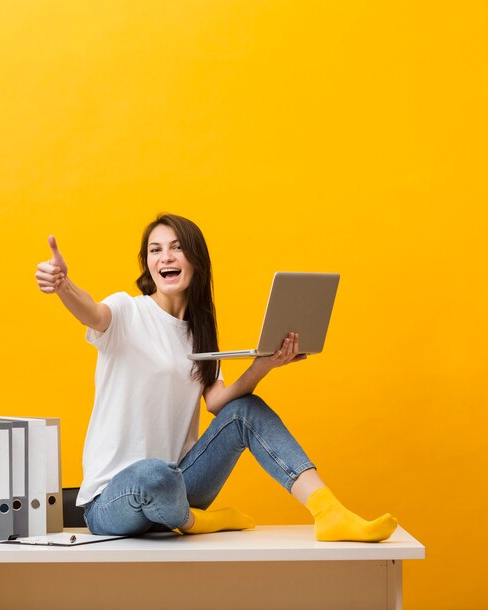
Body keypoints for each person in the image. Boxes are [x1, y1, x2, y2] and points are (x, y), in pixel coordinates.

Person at [35, 213, 397, 541]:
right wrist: (64, 286)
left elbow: (218, 404)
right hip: (115, 499)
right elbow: (93, 314)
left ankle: (328, 511)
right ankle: (196, 522)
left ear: (195, 261)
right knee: (152, 474)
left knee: (245, 410)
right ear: (147, 264)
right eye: (155, 250)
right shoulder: (127, 312)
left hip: (181, 485)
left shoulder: (200, 335)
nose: (166, 257)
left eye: (177, 248)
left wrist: (263, 366)